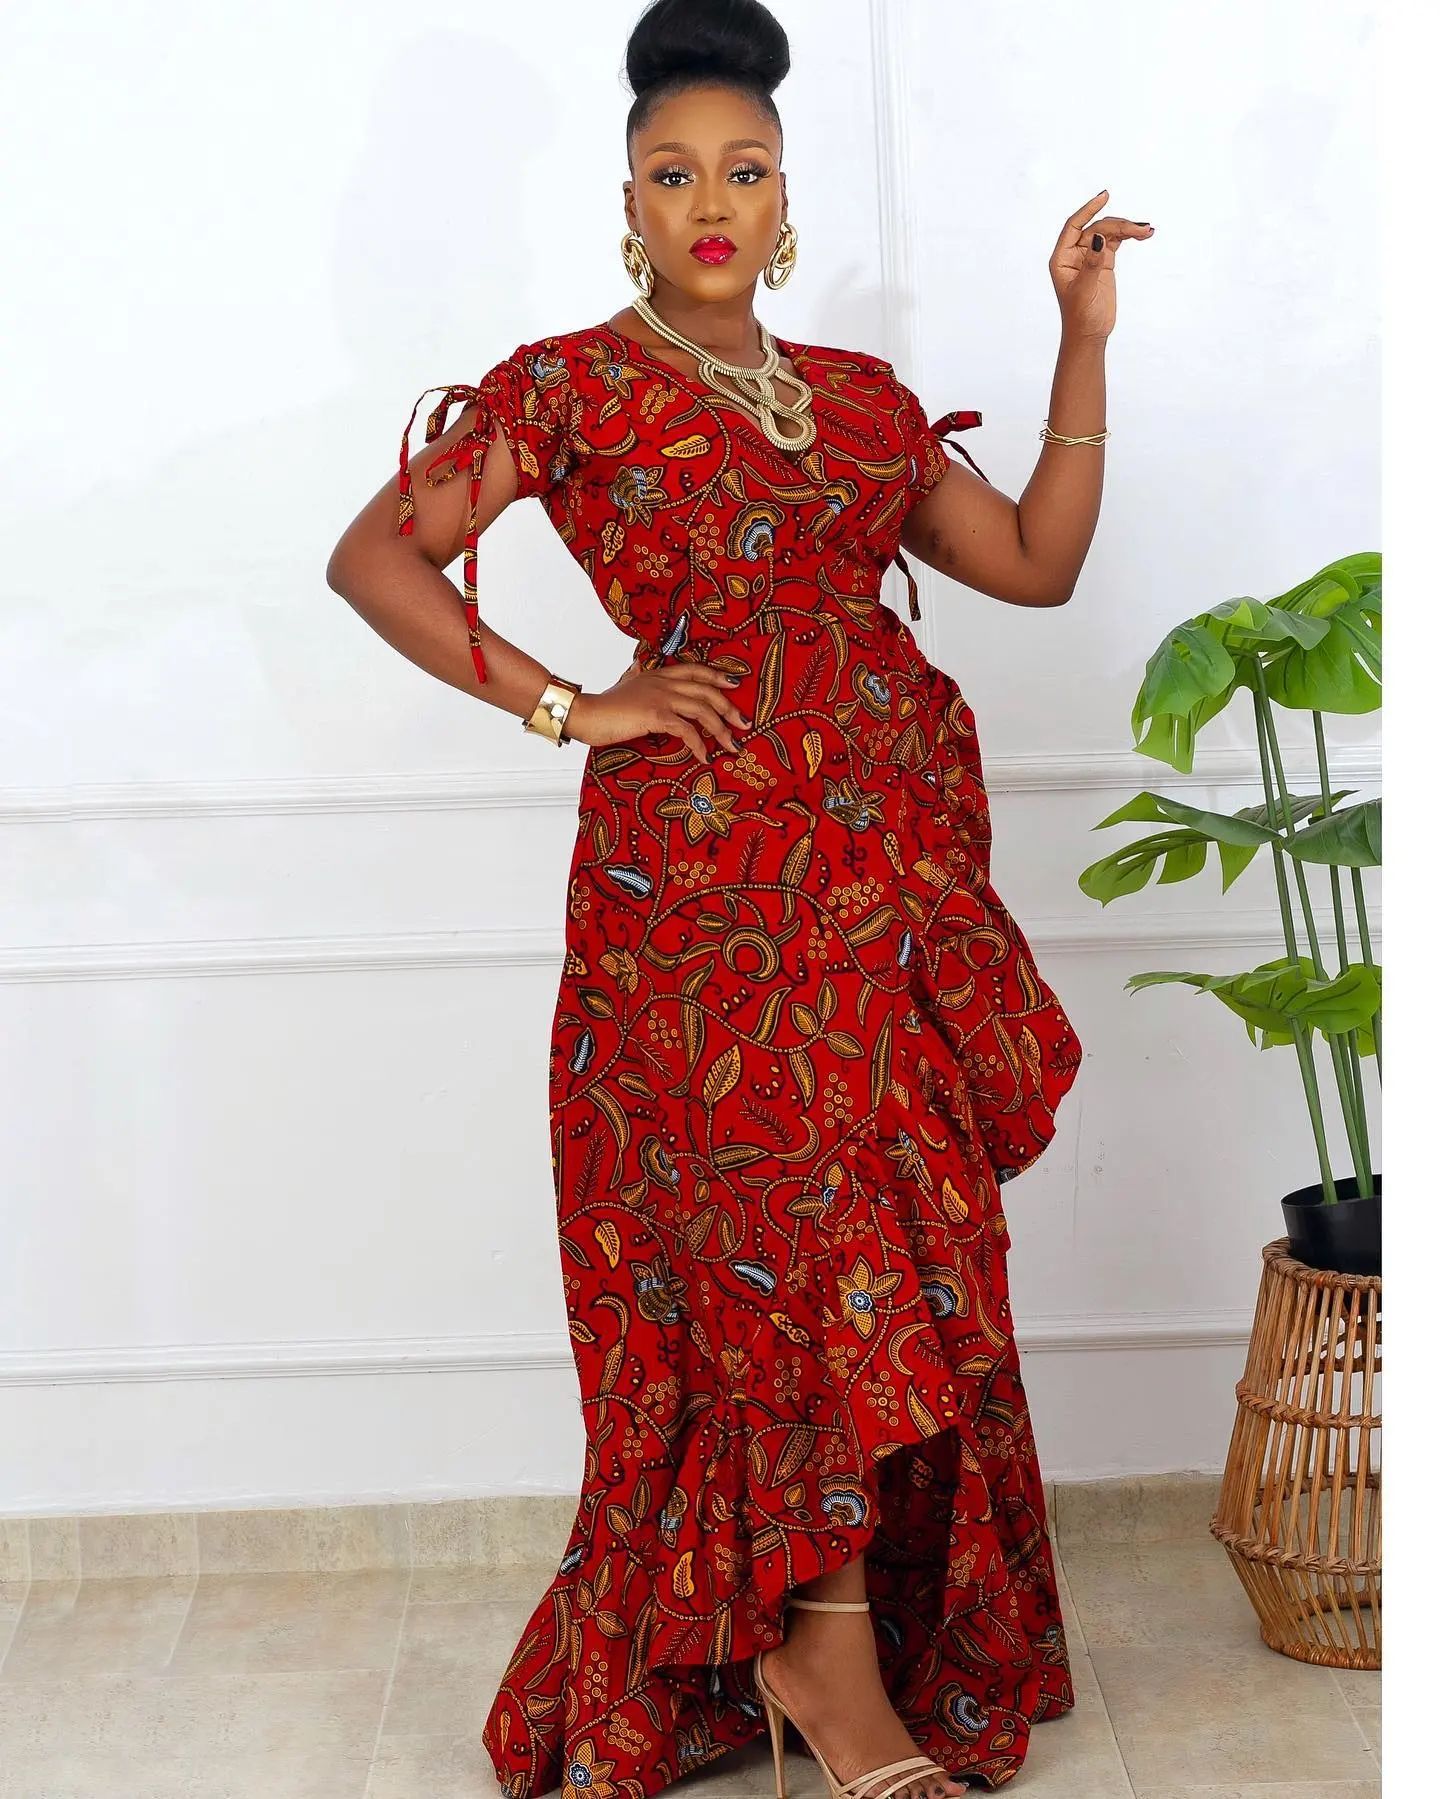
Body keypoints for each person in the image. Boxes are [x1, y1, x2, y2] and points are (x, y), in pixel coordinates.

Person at [327, 3, 1152, 1794]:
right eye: (674, 173)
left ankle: (819, 1639)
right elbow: (374, 557)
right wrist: (575, 703)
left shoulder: (854, 400)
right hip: (699, 895)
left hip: (887, 881)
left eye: (745, 170)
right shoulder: (566, 387)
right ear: (628, 199)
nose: (711, 202)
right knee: (783, 1252)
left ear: (787, 200)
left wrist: (1080, 338)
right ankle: (823, 1665)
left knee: (900, 1236)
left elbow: (1034, 562)